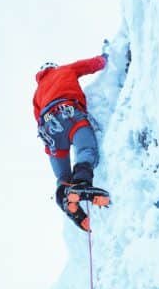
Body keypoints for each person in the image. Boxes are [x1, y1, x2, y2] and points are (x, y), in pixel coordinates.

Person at [33, 53, 108, 230]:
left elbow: (37, 117)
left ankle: (65, 196)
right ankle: (81, 184)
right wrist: (105, 59)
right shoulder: (65, 70)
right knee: (86, 150)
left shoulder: (37, 94)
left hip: (48, 128)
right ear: (53, 67)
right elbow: (88, 65)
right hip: (68, 112)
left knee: (62, 176)